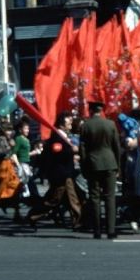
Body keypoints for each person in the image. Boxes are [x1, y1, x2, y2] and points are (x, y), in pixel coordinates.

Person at [27, 111, 83, 231]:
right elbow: (58, 154)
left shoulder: (63, 136)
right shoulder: (57, 137)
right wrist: (72, 150)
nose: (71, 124)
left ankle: (77, 221)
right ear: (62, 123)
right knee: (56, 200)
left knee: (67, 199)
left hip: (66, 172)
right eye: (69, 121)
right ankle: (33, 216)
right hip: (61, 174)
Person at [80, 101, 121, 239]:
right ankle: (111, 229)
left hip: (93, 164)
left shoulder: (85, 125)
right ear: (101, 111)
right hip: (110, 162)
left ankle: (97, 230)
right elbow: (117, 146)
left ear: (90, 110)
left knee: (94, 197)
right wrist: (118, 166)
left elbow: (82, 149)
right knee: (110, 197)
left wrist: (84, 166)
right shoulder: (110, 124)